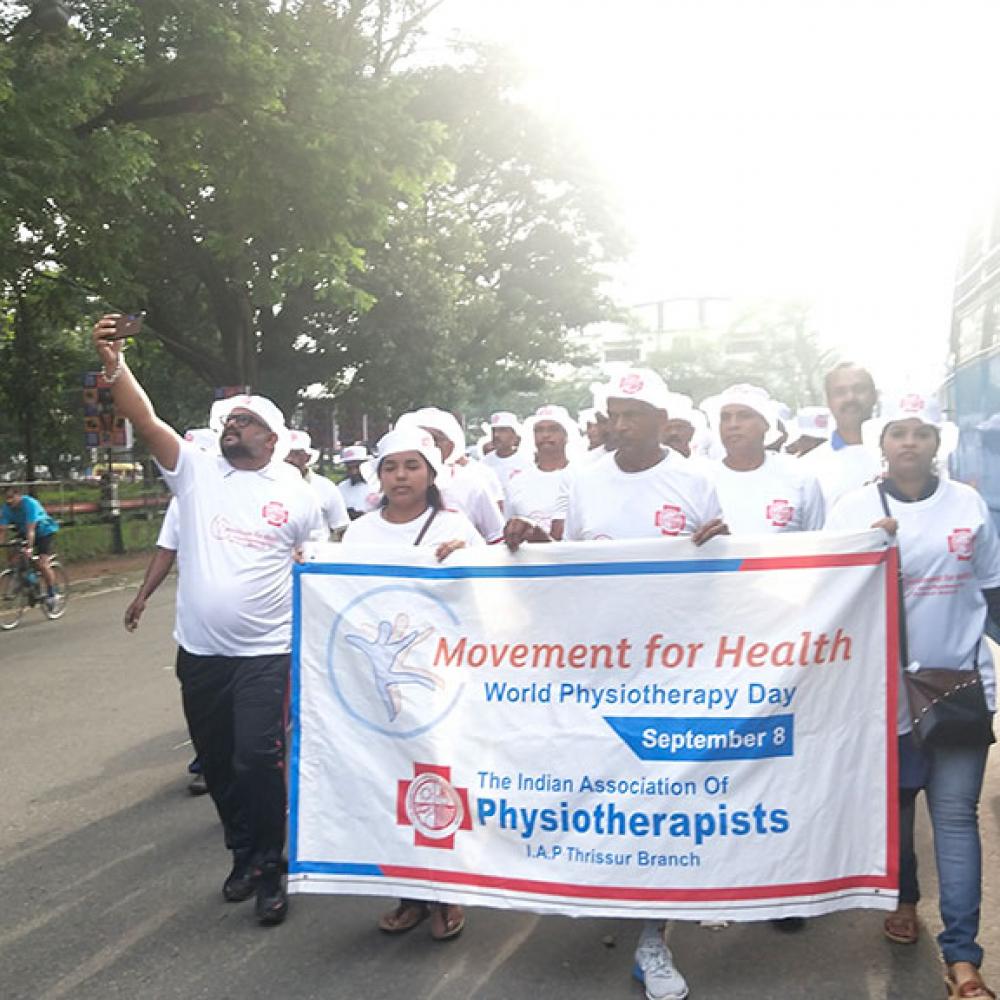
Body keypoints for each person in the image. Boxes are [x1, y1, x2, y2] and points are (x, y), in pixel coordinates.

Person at [92, 314, 322, 927]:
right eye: (229, 421)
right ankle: (242, 854)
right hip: (200, 654)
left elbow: (320, 566)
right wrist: (116, 362)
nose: (232, 427)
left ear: (271, 438)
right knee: (219, 764)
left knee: (255, 759)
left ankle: (273, 869)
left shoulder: (298, 493)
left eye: (245, 422)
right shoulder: (195, 472)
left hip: (267, 654)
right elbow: (145, 417)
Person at [507, 368, 727, 1000]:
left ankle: (653, 938)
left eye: (634, 413)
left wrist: (723, 551)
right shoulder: (579, 479)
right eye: (613, 412)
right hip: (597, 668)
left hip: (677, 670)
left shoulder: (696, 481)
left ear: (663, 421)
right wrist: (521, 541)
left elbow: (725, 577)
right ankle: (609, 886)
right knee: (610, 786)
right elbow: (560, 561)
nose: (621, 424)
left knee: (665, 792)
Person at [827, 390, 1000, 1000]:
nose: (909, 442)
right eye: (898, 432)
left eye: (921, 433)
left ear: (937, 443)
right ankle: (903, 896)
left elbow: (992, 593)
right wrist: (866, 553)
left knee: (954, 818)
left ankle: (962, 957)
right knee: (896, 811)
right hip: (879, 697)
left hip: (955, 688)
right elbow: (826, 602)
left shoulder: (970, 506)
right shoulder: (851, 509)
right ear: (882, 443)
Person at [343, 426, 481, 941]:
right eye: (391, 466)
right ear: (378, 475)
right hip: (377, 682)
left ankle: (448, 892)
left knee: (440, 780)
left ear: (431, 473)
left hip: (441, 676)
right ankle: (410, 894)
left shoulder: (455, 525)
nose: (401, 475)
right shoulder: (359, 534)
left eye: (412, 465)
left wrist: (468, 561)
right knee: (389, 782)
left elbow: (486, 599)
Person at [703, 384, 824, 535]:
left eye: (744, 416)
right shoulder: (702, 479)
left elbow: (818, 544)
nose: (733, 425)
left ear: (766, 424)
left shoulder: (800, 477)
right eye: (725, 418)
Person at [395, 407, 505, 542]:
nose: (423, 447)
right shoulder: (395, 486)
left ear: (449, 447)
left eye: (432, 440)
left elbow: (497, 539)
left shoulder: (472, 486)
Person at [801, 362, 881, 508]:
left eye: (859, 389)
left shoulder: (903, 455)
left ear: (875, 396)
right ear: (828, 401)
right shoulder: (807, 467)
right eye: (840, 392)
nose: (850, 398)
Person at [504, 404, 580, 542]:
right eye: (539, 430)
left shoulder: (581, 477)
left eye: (553, 429)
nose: (545, 435)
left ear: (567, 435)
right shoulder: (517, 482)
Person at [285, 429, 350, 540]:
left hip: (317, 554)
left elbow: (341, 528)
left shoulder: (326, 487)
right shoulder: (268, 486)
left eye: (296, 454)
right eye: (285, 453)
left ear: (308, 457)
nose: (289, 459)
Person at [0, 486, 60, 605]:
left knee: (42, 564)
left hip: (43, 532)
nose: (9, 501)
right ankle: (28, 580)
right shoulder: (6, 508)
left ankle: (52, 593)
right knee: (13, 554)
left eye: (12, 498)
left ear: (19, 495)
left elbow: (30, 529)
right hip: (24, 532)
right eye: (7, 498)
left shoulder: (30, 504)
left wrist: (30, 548)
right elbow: (2, 529)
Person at [481, 411, 532, 501]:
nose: (496, 435)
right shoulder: (484, 463)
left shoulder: (527, 463)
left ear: (514, 435)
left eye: (502, 430)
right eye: (494, 431)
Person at [336, 444, 380, 520]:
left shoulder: (378, 486)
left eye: (357, 467)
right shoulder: (341, 488)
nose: (354, 472)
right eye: (349, 468)